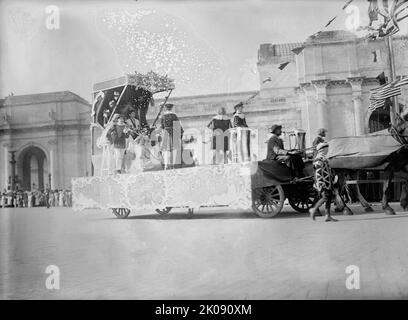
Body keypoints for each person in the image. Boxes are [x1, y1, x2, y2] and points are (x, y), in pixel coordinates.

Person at [309, 142, 338, 222]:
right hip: (323, 183)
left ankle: (327, 216)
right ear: (323, 149)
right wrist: (321, 183)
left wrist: (332, 179)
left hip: (328, 182)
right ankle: (313, 210)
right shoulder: (319, 159)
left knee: (328, 198)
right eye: (326, 149)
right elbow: (318, 173)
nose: (327, 150)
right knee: (325, 197)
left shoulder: (323, 158)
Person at [160, 103, 183, 169]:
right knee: (174, 149)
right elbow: (177, 125)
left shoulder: (163, 116)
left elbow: (162, 126)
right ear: (171, 108)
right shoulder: (174, 115)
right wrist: (180, 133)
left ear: (166, 108)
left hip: (165, 132)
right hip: (173, 132)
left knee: (166, 149)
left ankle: (166, 164)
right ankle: (172, 164)